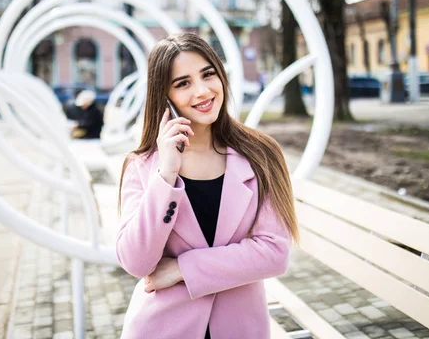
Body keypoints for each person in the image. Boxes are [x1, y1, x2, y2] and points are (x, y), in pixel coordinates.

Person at [116, 32, 299, 339]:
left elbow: (274, 252)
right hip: (161, 328)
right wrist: (167, 173)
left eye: (208, 74)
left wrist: (182, 269)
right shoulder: (142, 165)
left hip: (241, 328)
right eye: (183, 83)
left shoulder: (261, 154)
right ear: (165, 97)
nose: (202, 91)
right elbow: (136, 261)